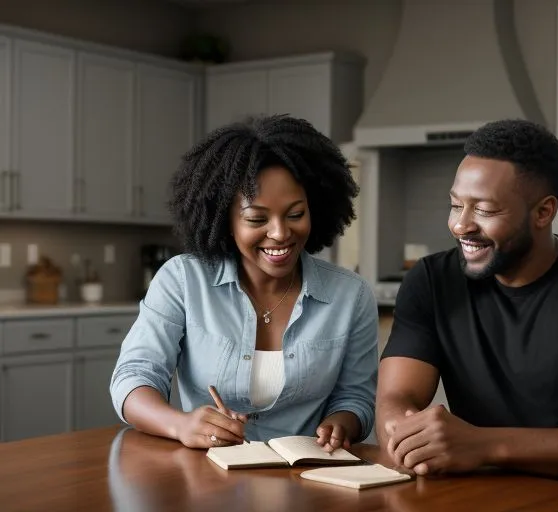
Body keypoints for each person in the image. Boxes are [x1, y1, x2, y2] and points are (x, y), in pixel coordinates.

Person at [375, 119, 558, 498]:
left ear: (543, 212)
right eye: (455, 205)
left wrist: (483, 445)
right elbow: (396, 398)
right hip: (483, 497)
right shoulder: (431, 282)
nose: (460, 225)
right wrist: (406, 438)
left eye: (484, 210)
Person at [110, 114, 378, 452]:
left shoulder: (350, 295)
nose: (280, 233)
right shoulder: (182, 280)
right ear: (225, 220)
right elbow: (134, 377)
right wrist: (180, 424)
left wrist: (342, 422)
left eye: (295, 214)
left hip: (307, 481)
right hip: (207, 478)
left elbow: (356, 397)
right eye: (257, 218)